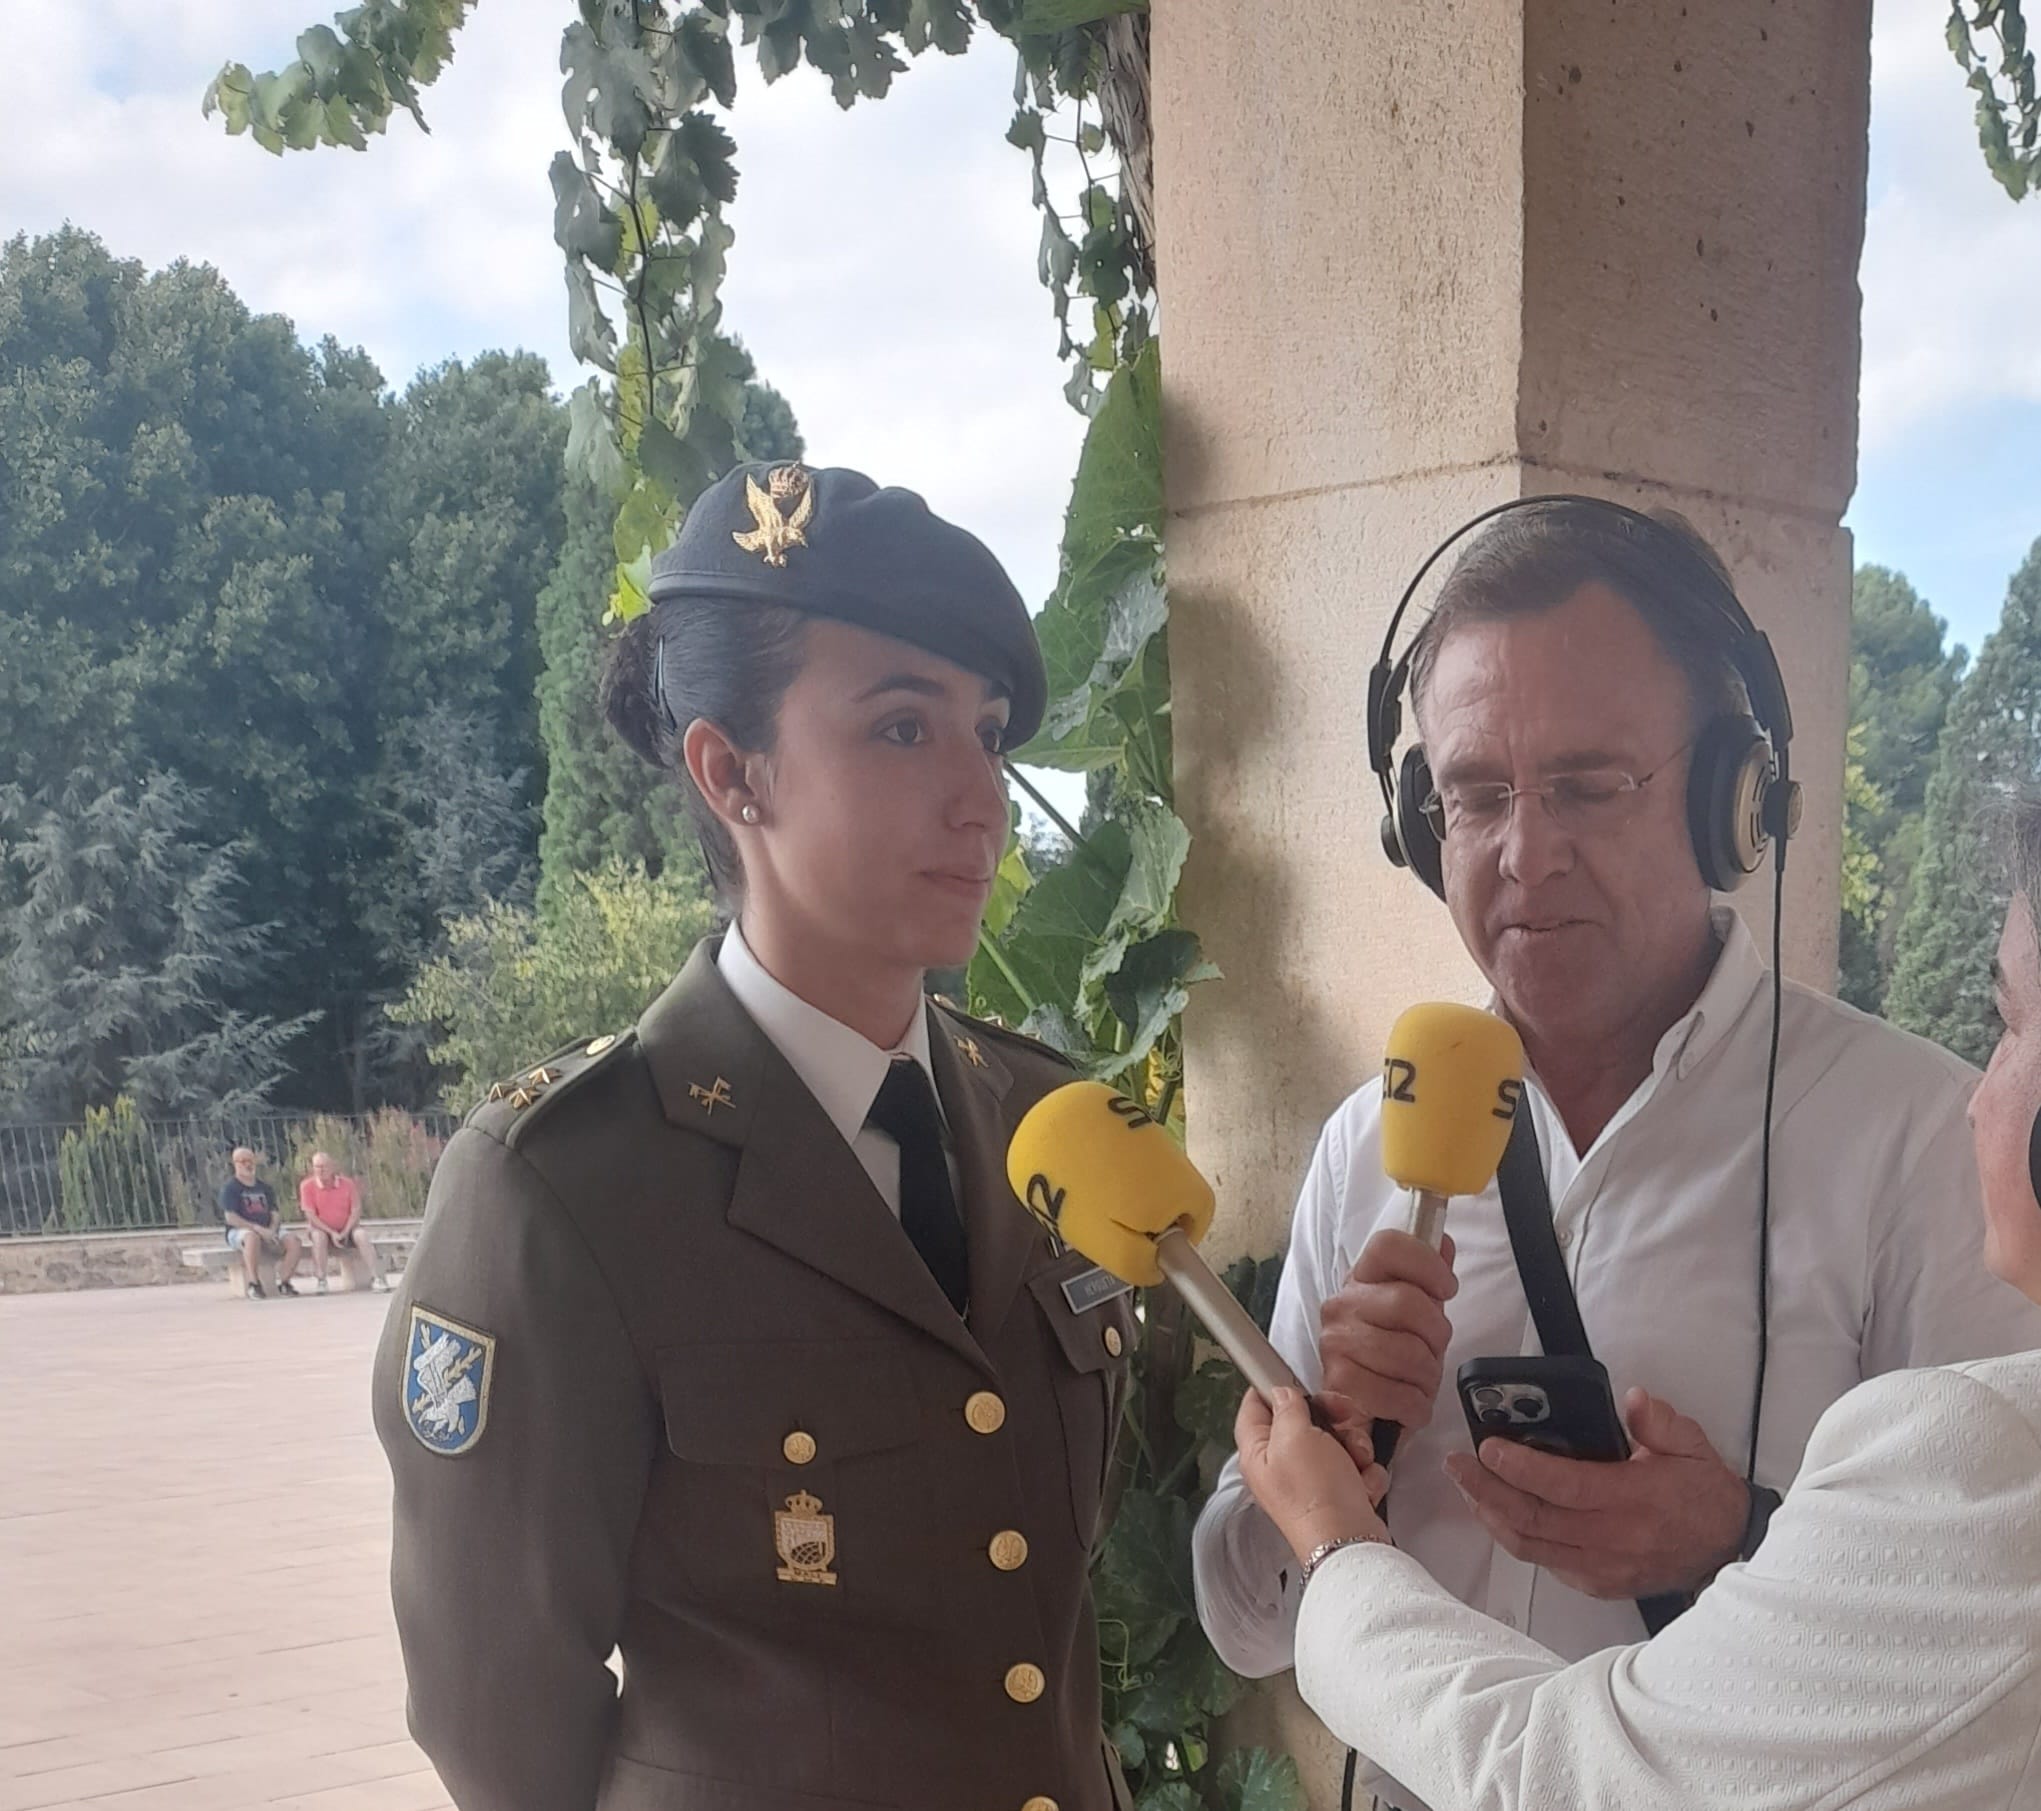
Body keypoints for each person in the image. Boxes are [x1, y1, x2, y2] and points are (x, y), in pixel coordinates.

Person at [1189, 500, 2041, 1810]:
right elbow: (1254, 1622)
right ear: (1420, 823)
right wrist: (1330, 1451)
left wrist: (1737, 1534)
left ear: (1732, 800)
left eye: (1588, 784)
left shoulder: (1917, 1138)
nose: (1525, 855)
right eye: (1476, 794)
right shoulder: (1370, 1143)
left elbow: (1989, 1622)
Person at [374, 461, 1138, 1811]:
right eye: (904, 730)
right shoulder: (564, 1187)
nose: (981, 796)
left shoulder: (1042, 1121)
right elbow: (502, 1721)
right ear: (733, 773)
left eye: (989, 729)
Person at [218, 1147, 302, 1300]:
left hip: (267, 1229)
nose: (248, 1165)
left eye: (251, 1161)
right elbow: (231, 1218)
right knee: (251, 1238)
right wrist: (257, 1229)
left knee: (294, 1241)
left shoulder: (265, 1188)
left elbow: (275, 1213)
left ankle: (284, 1282)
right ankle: (254, 1284)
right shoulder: (230, 1188)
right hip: (240, 1231)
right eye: (243, 1162)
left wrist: (271, 1229)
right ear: (235, 1164)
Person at [298, 1151, 387, 1294]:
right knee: (318, 1238)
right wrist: (332, 1233)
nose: (321, 1170)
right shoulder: (306, 1186)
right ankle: (321, 1280)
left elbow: (356, 1210)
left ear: (332, 1167)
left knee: (362, 1235)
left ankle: (377, 1277)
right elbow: (311, 1216)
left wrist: (345, 1231)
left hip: (347, 1228)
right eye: (317, 1167)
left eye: (324, 1166)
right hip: (322, 1229)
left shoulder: (347, 1184)